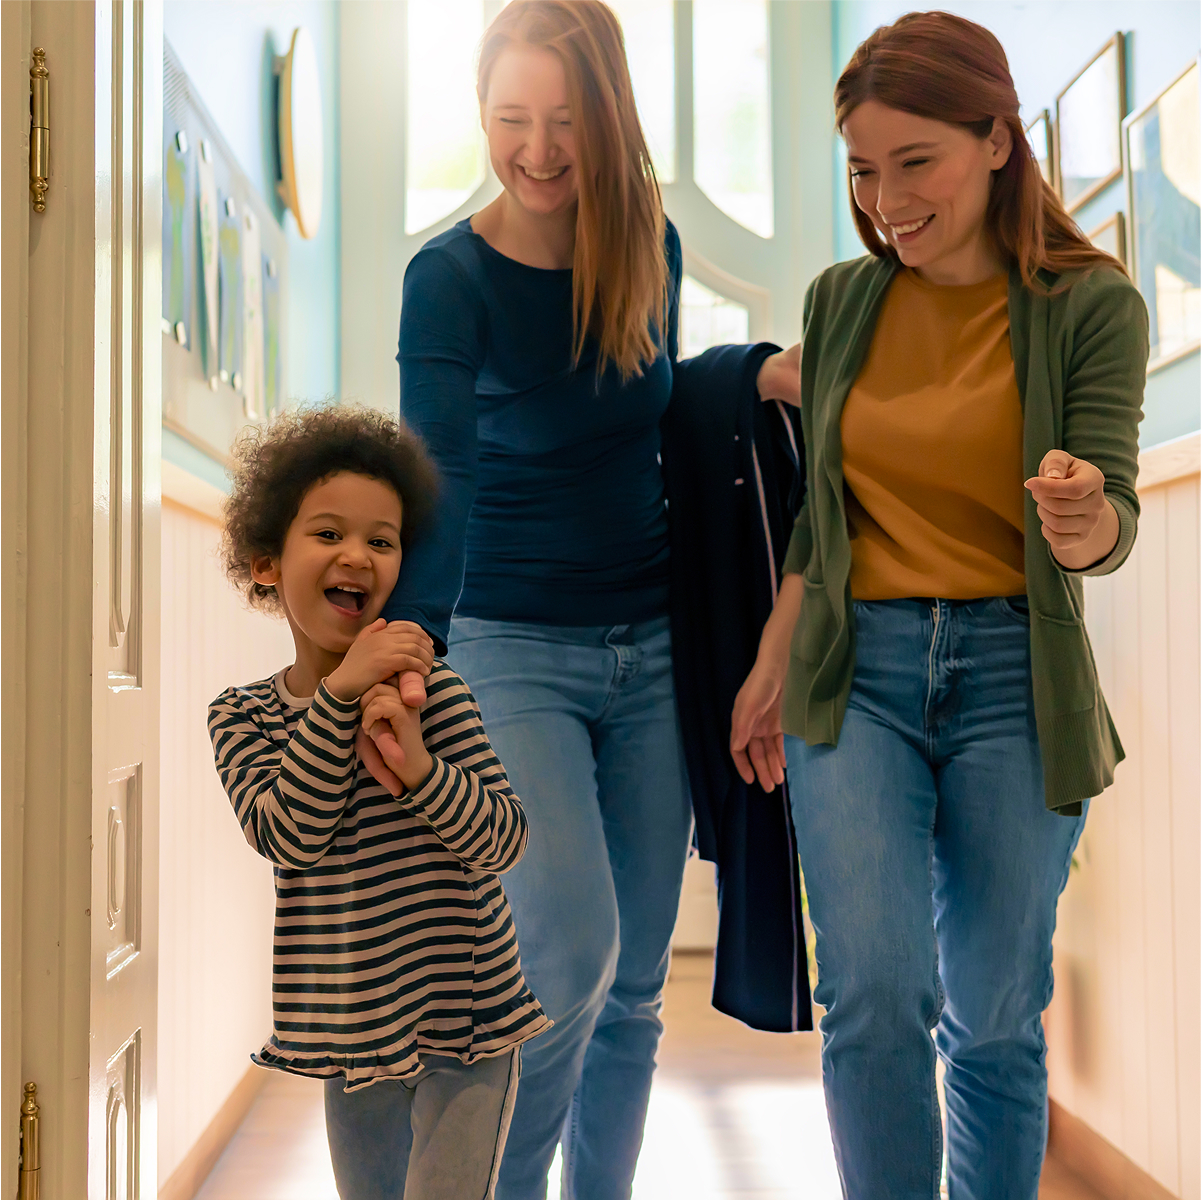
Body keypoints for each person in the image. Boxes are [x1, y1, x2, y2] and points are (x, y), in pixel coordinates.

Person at [380, 3, 798, 1195]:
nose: (538, 148)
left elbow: (649, 398)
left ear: (607, 116)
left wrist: (755, 373)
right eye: (511, 117)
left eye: (564, 119)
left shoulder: (647, 243)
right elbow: (438, 470)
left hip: (653, 644)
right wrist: (413, 644)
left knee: (634, 985)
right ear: (480, 114)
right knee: (569, 950)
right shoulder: (447, 280)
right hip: (507, 643)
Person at [730, 12, 1148, 1200]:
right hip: (854, 672)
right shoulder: (841, 302)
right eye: (864, 169)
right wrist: (770, 659)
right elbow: (820, 521)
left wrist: (1082, 517)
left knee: (996, 1014)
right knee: (872, 995)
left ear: (996, 140)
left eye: (916, 162)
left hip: (1014, 675)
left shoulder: (1090, 305)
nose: (886, 200)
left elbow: (1111, 516)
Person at [207, 406, 550, 1201]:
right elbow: (290, 832)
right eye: (328, 533)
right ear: (266, 562)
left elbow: (504, 839)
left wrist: (420, 766)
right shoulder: (241, 716)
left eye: (382, 540)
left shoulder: (435, 694)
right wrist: (339, 699)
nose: (356, 554)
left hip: (468, 1021)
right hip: (350, 1032)